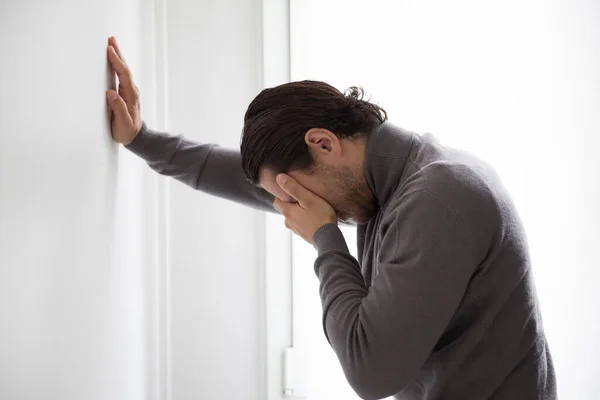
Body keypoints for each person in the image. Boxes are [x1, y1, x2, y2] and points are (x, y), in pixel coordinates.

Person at [105, 36, 557, 399]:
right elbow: (236, 176)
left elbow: (372, 374)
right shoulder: (386, 180)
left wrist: (325, 236)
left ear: (322, 143)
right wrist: (142, 139)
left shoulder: (437, 198)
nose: (295, 203)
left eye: (292, 189)